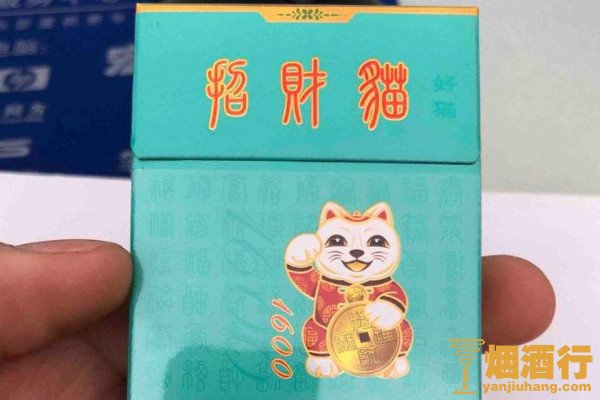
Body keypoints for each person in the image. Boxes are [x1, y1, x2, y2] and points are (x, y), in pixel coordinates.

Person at [0, 239, 555, 399]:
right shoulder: (326, 282)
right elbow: (310, 285)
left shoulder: (386, 281)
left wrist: (387, 307)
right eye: (343, 245)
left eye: (368, 246)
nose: (355, 257)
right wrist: (300, 265)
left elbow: (396, 298)